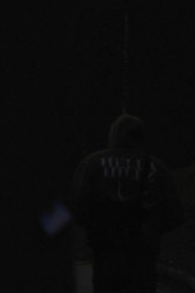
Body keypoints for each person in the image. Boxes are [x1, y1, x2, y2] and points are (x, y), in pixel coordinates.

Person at [71, 113, 184, 293]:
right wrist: (152, 228)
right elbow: (176, 214)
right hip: (143, 255)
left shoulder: (92, 164)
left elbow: (77, 207)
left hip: (106, 254)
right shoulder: (157, 167)